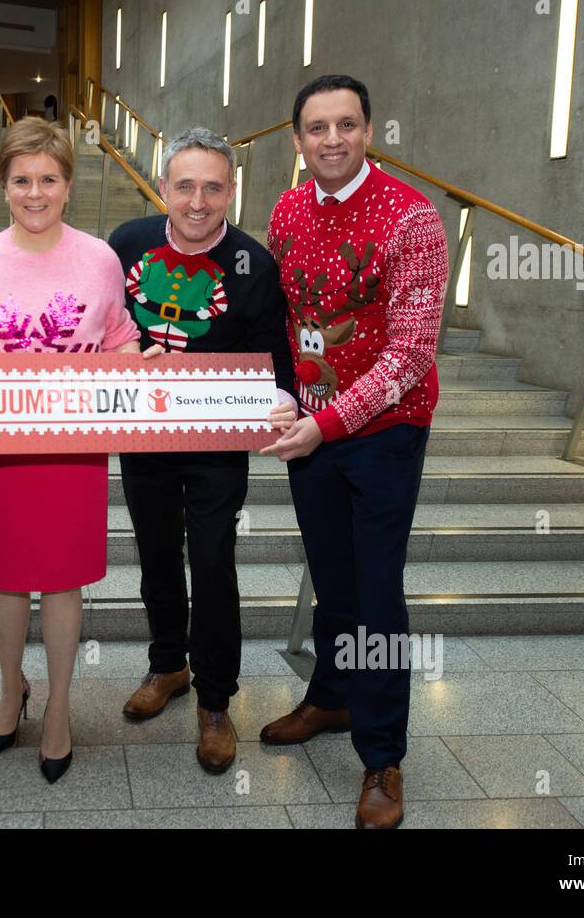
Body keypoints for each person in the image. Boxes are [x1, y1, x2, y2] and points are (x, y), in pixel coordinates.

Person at [260, 74, 448, 829]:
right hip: (311, 431)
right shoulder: (285, 209)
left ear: (369, 131)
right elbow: (282, 317)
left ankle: (382, 757)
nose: (331, 139)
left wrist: (327, 422)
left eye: (346, 125)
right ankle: (333, 697)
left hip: (383, 434)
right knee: (332, 581)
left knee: (375, 596)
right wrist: (275, 397)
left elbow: (408, 355)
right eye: (316, 128)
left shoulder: (413, 219)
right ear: (297, 138)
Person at [0, 117, 147, 784]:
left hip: (74, 448)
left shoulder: (100, 258)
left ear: (68, 185)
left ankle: (58, 706)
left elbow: (119, 335)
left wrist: (139, 365)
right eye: (21, 180)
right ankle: (12, 689)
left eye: (49, 179)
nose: (35, 192)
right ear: (4, 186)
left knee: (63, 579)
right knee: (5, 577)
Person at [107, 127, 297, 775]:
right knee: (156, 552)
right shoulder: (126, 246)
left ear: (231, 192)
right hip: (143, 434)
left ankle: (216, 699)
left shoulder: (253, 264)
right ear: (163, 186)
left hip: (218, 443)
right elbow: (100, 333)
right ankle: (169, 666)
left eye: (213, 187)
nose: (197, 201)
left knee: (213, 560)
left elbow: (277, 364)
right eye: (184, 185)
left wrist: (283, 403)